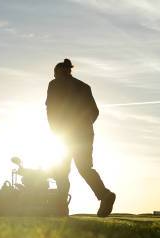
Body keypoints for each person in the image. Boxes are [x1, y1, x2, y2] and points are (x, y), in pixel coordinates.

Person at [45, 58, 116, 217]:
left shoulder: (54, 85)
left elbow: (50, 110)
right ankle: (104, 195)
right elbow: (95, 112)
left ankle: (61, 209)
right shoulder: (84, 87)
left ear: (58, 72)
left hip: (64, 134)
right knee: (85, 168)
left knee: (62, 172)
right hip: (85, 134)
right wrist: (84, 126)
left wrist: (56, 130)